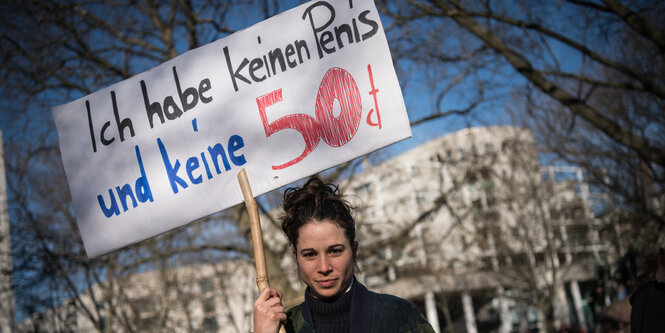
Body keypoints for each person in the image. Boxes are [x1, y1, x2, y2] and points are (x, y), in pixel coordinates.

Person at [253, 177, 436, 333]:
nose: (324, 267)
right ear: (296, 257)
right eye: (310, 254)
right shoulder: (283, 327)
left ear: (354, 250)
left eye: (335, 251)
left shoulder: (398, 318)